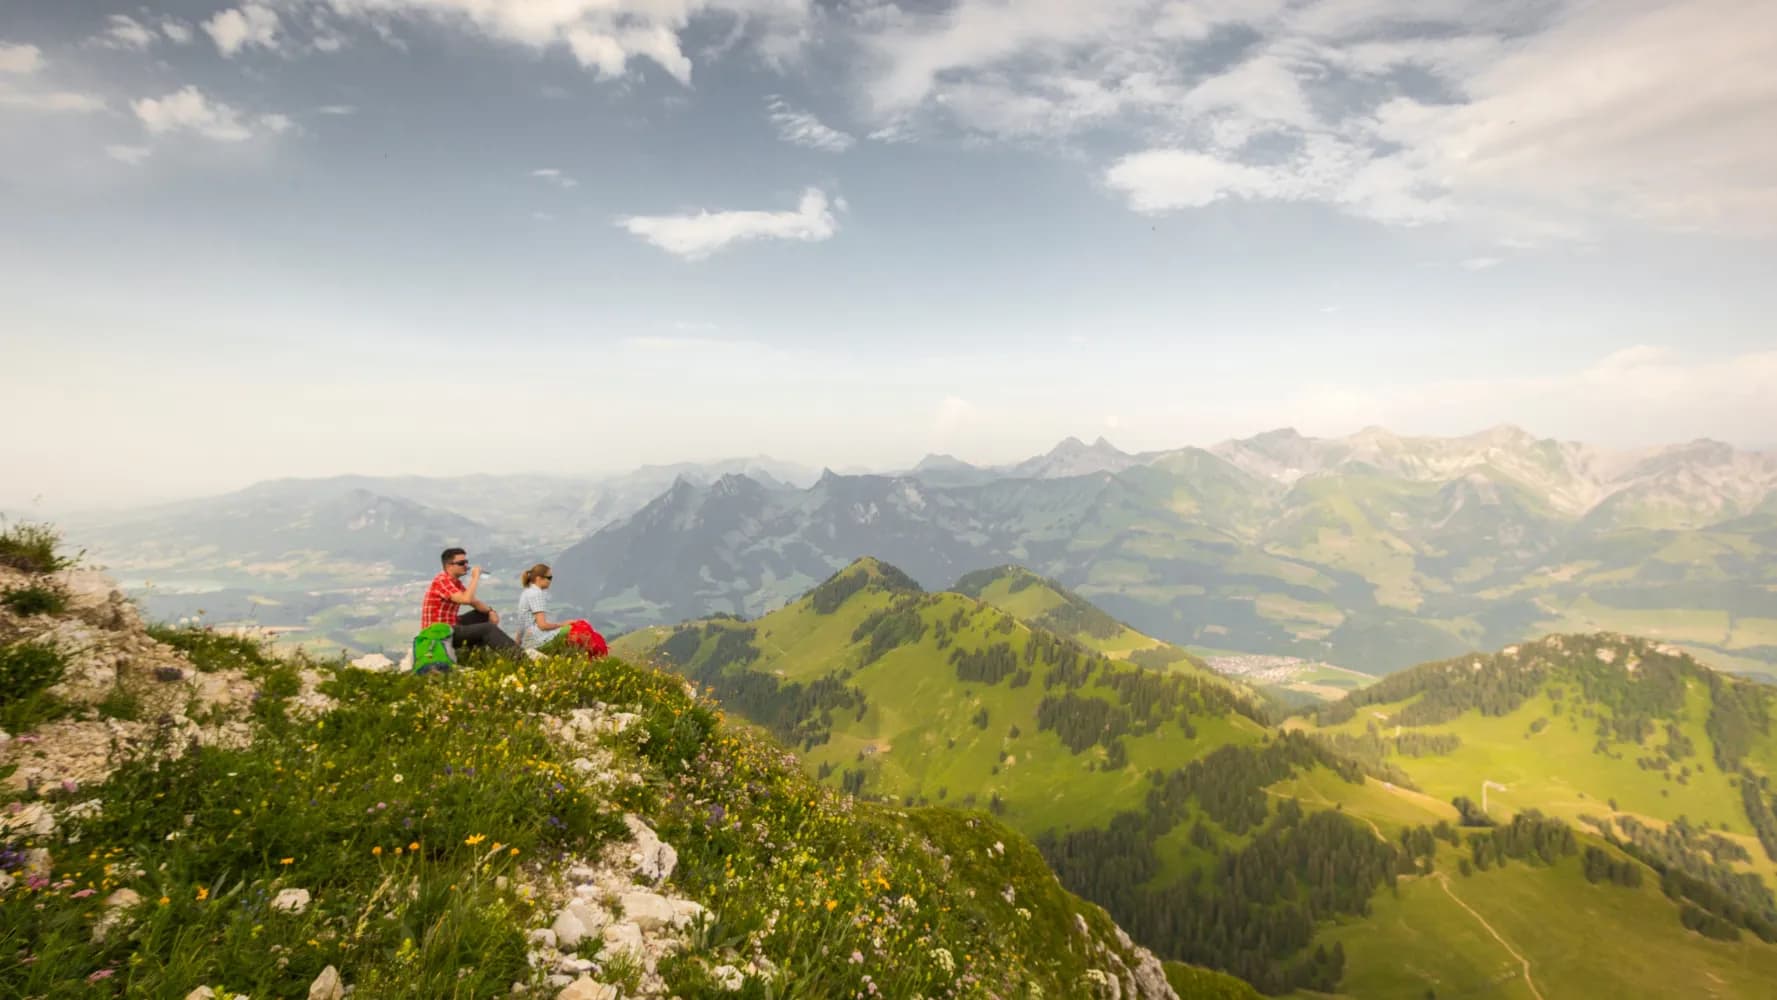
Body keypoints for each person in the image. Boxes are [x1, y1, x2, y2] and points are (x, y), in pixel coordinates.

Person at [422, 547, 519, 657]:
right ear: (449, 566)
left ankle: (478, 656)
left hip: (449, 626)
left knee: (483, 615)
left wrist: (490, 611)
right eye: (461, 563)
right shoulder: (442, 581)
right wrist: (475, 577)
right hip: (438, 633)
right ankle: (519, 657)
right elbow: (466, 599)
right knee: (487, 629)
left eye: (466, 562)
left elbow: (474, 602)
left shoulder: (455, 583)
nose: (466, 566)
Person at [515, 563, 574, 652]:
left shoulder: (526, 592)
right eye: (549, 578)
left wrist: (518, 641)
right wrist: (563, 624)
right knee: (576, 627)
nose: (550, 581)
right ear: (538, 578)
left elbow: (521, 622)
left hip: (530, 642)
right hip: (540, 640)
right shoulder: (536, 594)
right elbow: (542, 625)